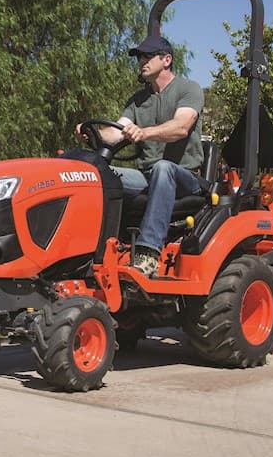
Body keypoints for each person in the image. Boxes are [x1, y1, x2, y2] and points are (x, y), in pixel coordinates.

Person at [78, 35, 204, 277]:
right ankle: (87, 247)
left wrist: (144, 132)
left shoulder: (189, 89)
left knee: (163, 168)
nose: (141, 62)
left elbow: (180, 127)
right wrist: (92, 134)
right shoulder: (138, 101)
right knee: (93, 173)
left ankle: (149, 254)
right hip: (147, 177)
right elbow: (116, 132)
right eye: (139, 57)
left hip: (184, 178)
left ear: (166, 60)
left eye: (147, 56)